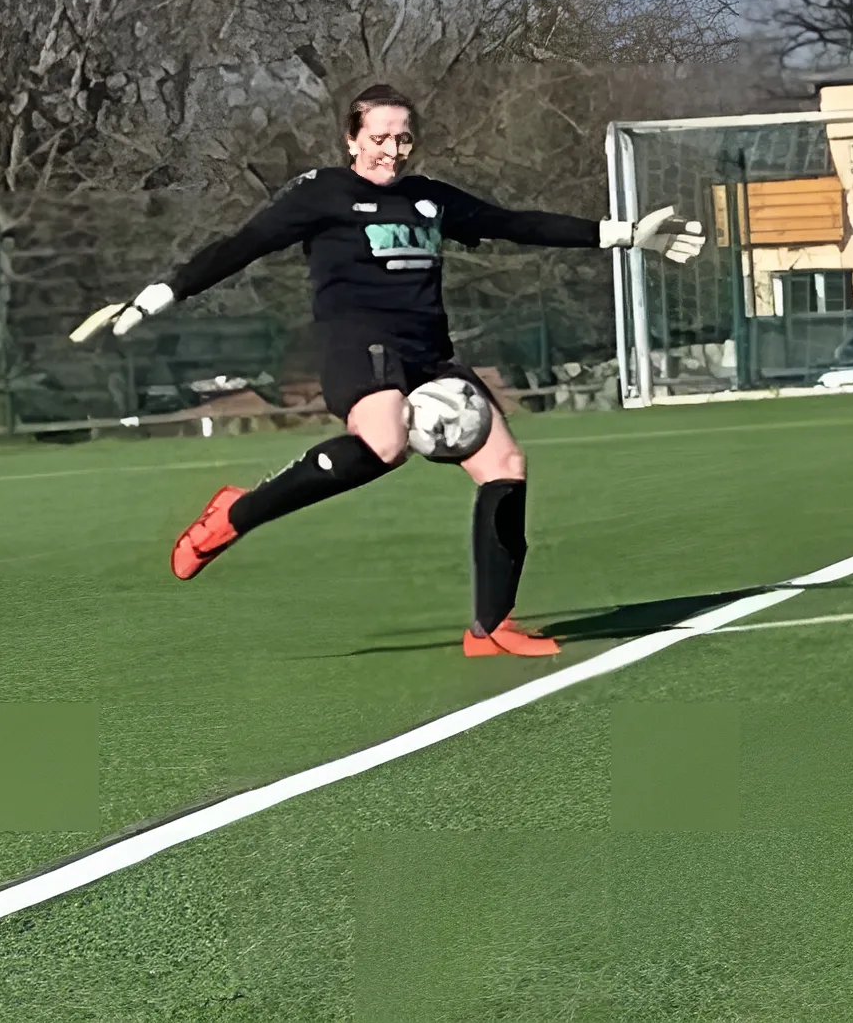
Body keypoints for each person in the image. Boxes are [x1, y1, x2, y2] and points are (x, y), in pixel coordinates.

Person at [79, 83, 705, 655]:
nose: (392, 150)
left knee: (506, 466)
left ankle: (491, 627)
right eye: (379, 137)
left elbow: (514, 223)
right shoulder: (321, 193)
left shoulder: (428, 198)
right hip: (358, 343)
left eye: (403, 138)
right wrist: (155, 297)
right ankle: (234, 515)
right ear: (352, 139)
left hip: (429, 352)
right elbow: (239, 247)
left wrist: (625, 234)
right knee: (384, 440)